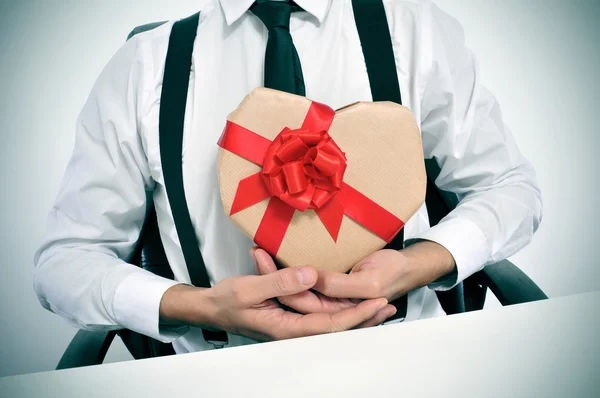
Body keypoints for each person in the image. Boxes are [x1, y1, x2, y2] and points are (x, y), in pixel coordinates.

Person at [33, 0, 542, 354]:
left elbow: (510, 188)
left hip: (404, 350)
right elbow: (65, 260)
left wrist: (415, 266)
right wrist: (203, 307)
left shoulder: (415, 31)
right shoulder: (144, 66)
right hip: (217, 370)